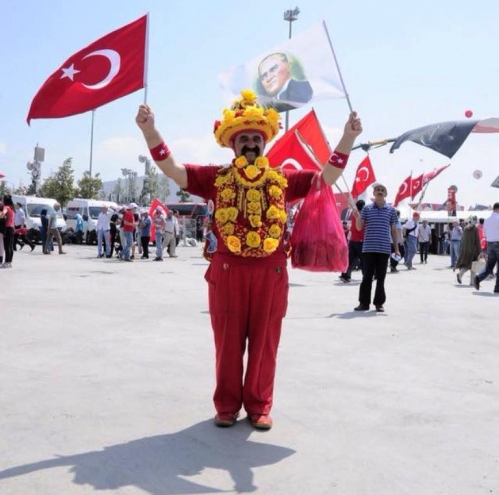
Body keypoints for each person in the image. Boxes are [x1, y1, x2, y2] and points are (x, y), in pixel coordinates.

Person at [135, 89, 362, 430]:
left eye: (257, 138)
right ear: (233, 145)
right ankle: (226, 405)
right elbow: (173, 170)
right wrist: (150, 131)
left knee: (265, 342)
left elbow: (325, 178)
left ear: (265, 143)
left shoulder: (284, 178)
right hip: (227, 272)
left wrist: (347, 137)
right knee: (226, 342)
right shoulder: (216, 178)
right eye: (245, 139)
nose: (252, 144)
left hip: (271, 272)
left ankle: (259, 405)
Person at [352, 183, 399, 313]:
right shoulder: (367, 209)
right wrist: (357, 217)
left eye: (382, 190)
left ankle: (379, 303)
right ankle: (363, 303)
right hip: (368, 248)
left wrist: (396, 248)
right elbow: (359, 227)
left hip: (384, 248)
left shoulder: (391, 210)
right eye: (377, 190)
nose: (379, 191)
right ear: (373, 193)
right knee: (367, 276)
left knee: (381, 277)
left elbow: (394, 230)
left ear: (386, 194)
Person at [473, 202, 499, 293]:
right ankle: (497, 288)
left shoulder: (487, 220)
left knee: (489, 266)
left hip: (490, 244)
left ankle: (478, 278)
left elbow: (484, 234)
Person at [339, 199, 365, 283]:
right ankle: (367, 276)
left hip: (353, 240)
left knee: (350, 259)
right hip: (360, 241)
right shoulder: (361, 215)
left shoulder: (355, 214)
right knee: (365, 260)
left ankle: (345, 275)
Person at [455, 219, 481, 285]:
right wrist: (480, 250)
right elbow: (477, 240)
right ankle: (472, 282)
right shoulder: (475, 229)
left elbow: (463, 239)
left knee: (467, 264)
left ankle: (460, 274)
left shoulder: (465, 229)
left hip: (465, 250)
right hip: (473, 251)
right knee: (473, 266)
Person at [0, 195, 15, 268]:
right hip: (12, 228)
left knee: (7, 246)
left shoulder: (6, 207)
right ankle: (9, 262)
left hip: (7, 228)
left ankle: (6, 262)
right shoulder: (12, 208)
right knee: (10, 246)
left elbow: (2, 215)